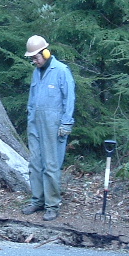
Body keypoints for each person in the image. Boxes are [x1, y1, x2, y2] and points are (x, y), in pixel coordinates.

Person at [21, 35, 76, 221]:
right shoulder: (36, 72)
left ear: (46, 52)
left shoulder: (61, 71)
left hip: (54, 124)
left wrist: (67, 122)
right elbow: (32, 97)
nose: (34, 61)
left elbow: (70, 99)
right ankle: (38, 200)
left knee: (51, 165)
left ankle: (52, 205)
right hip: (35, 123)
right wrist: (30, 116)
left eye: (36, 57)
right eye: (32, 58)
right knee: (35, 163)